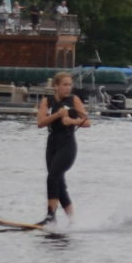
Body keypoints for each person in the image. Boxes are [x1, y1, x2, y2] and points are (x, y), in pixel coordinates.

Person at [35, 70, 90, 225]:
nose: (68, 88)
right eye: (65, 85)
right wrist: (58, 116)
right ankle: (72, 221)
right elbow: (40, 123)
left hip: (68, 144)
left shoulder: (74, 100)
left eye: (70, 85)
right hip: (52, 144)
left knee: (53, 176)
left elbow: (87, 122)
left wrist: (71, 121)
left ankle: (50, 216)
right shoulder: (47, 101)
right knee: (58, 182)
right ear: (56, 86)